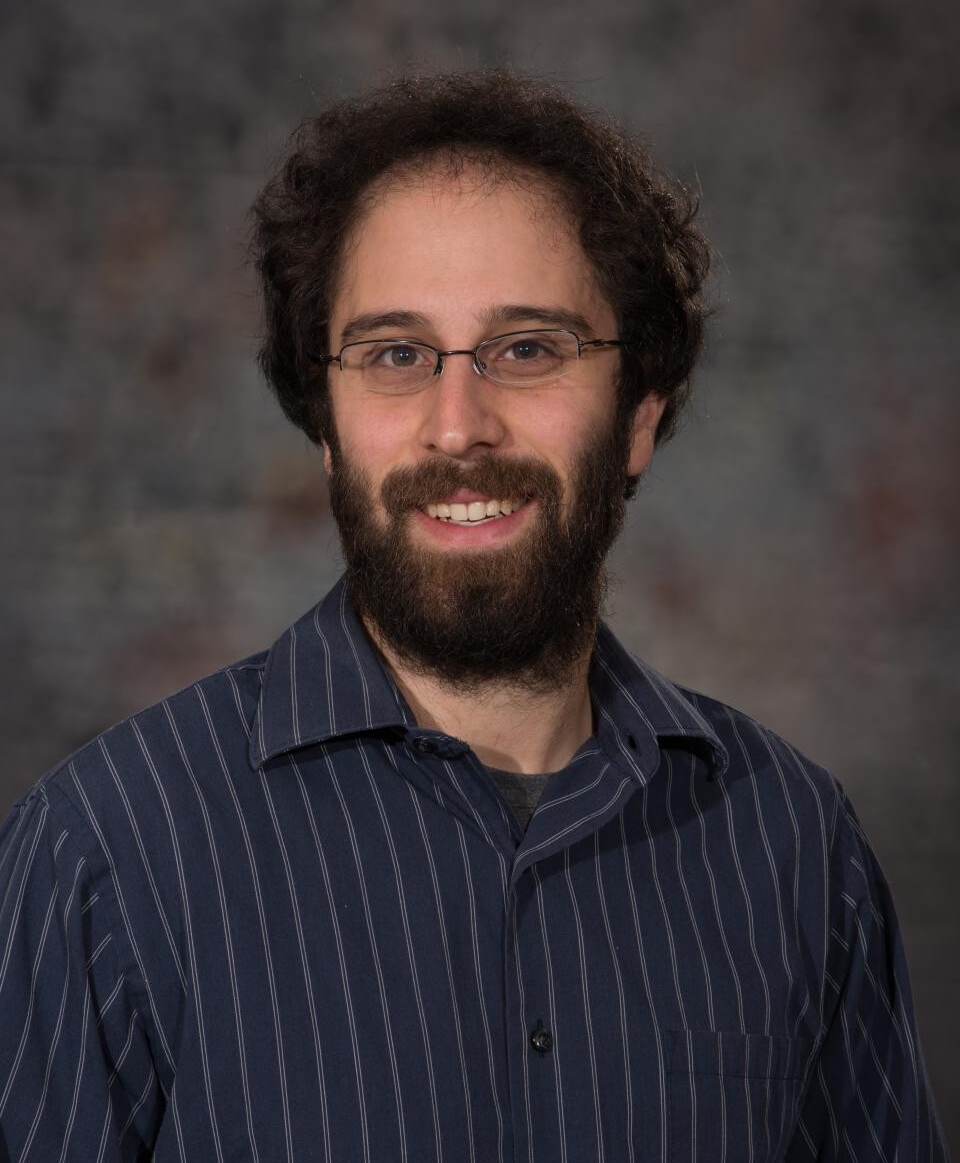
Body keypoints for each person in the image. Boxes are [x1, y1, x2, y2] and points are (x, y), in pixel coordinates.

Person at [0, 71, 948, 1162]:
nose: (458, 427)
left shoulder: (795, 845)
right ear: (327, 426)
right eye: (395, 355)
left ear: (639, 414)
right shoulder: (103, 852)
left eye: (528, 348)